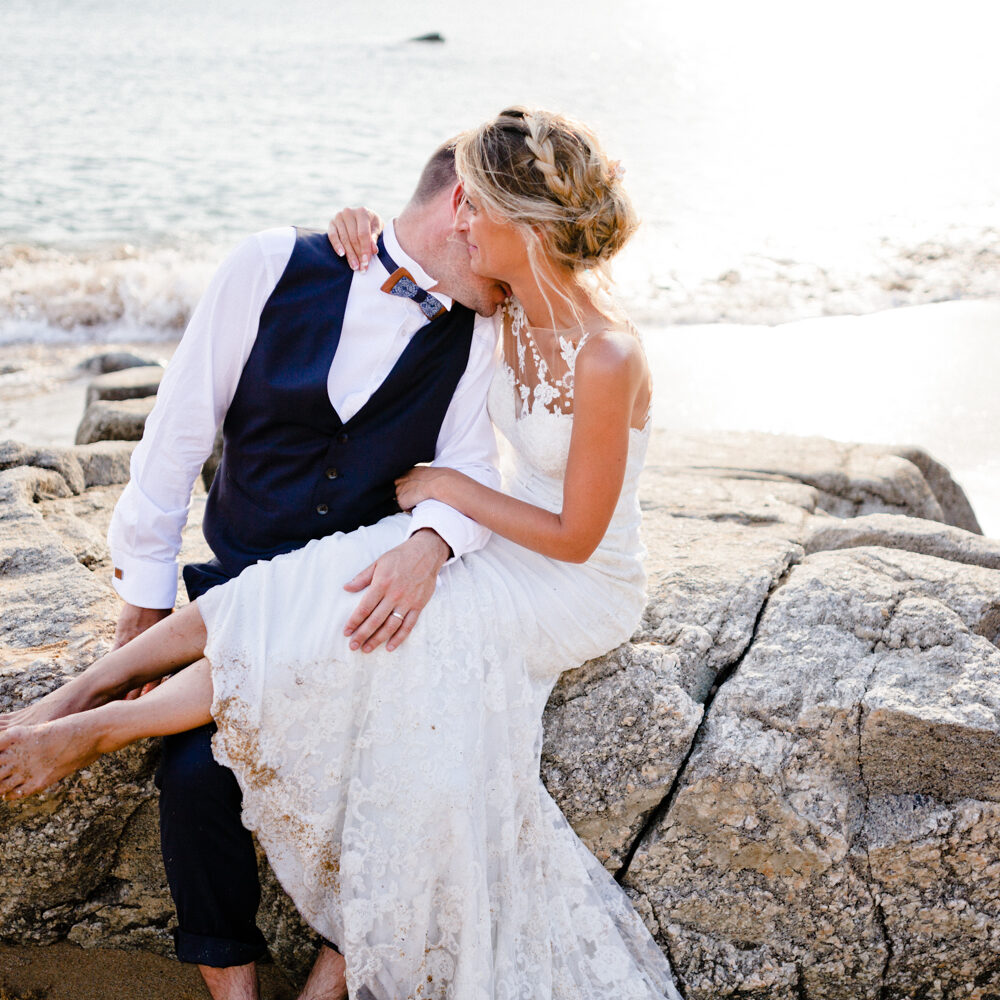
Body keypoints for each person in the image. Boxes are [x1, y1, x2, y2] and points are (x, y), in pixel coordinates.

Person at [0, 107, 684, 999]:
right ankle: (86, 699)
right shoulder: (310, 271)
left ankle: (106, 737)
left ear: (506, 221)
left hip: (545, 573)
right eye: (464, 216)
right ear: (459, 210)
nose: (470, 231)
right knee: (205, 772)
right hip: (259, 561)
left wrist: (439, 523)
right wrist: (143, 586)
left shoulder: (519, 327)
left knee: (342, 686)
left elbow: (511, 492)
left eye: (485, 220)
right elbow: (175, 437)